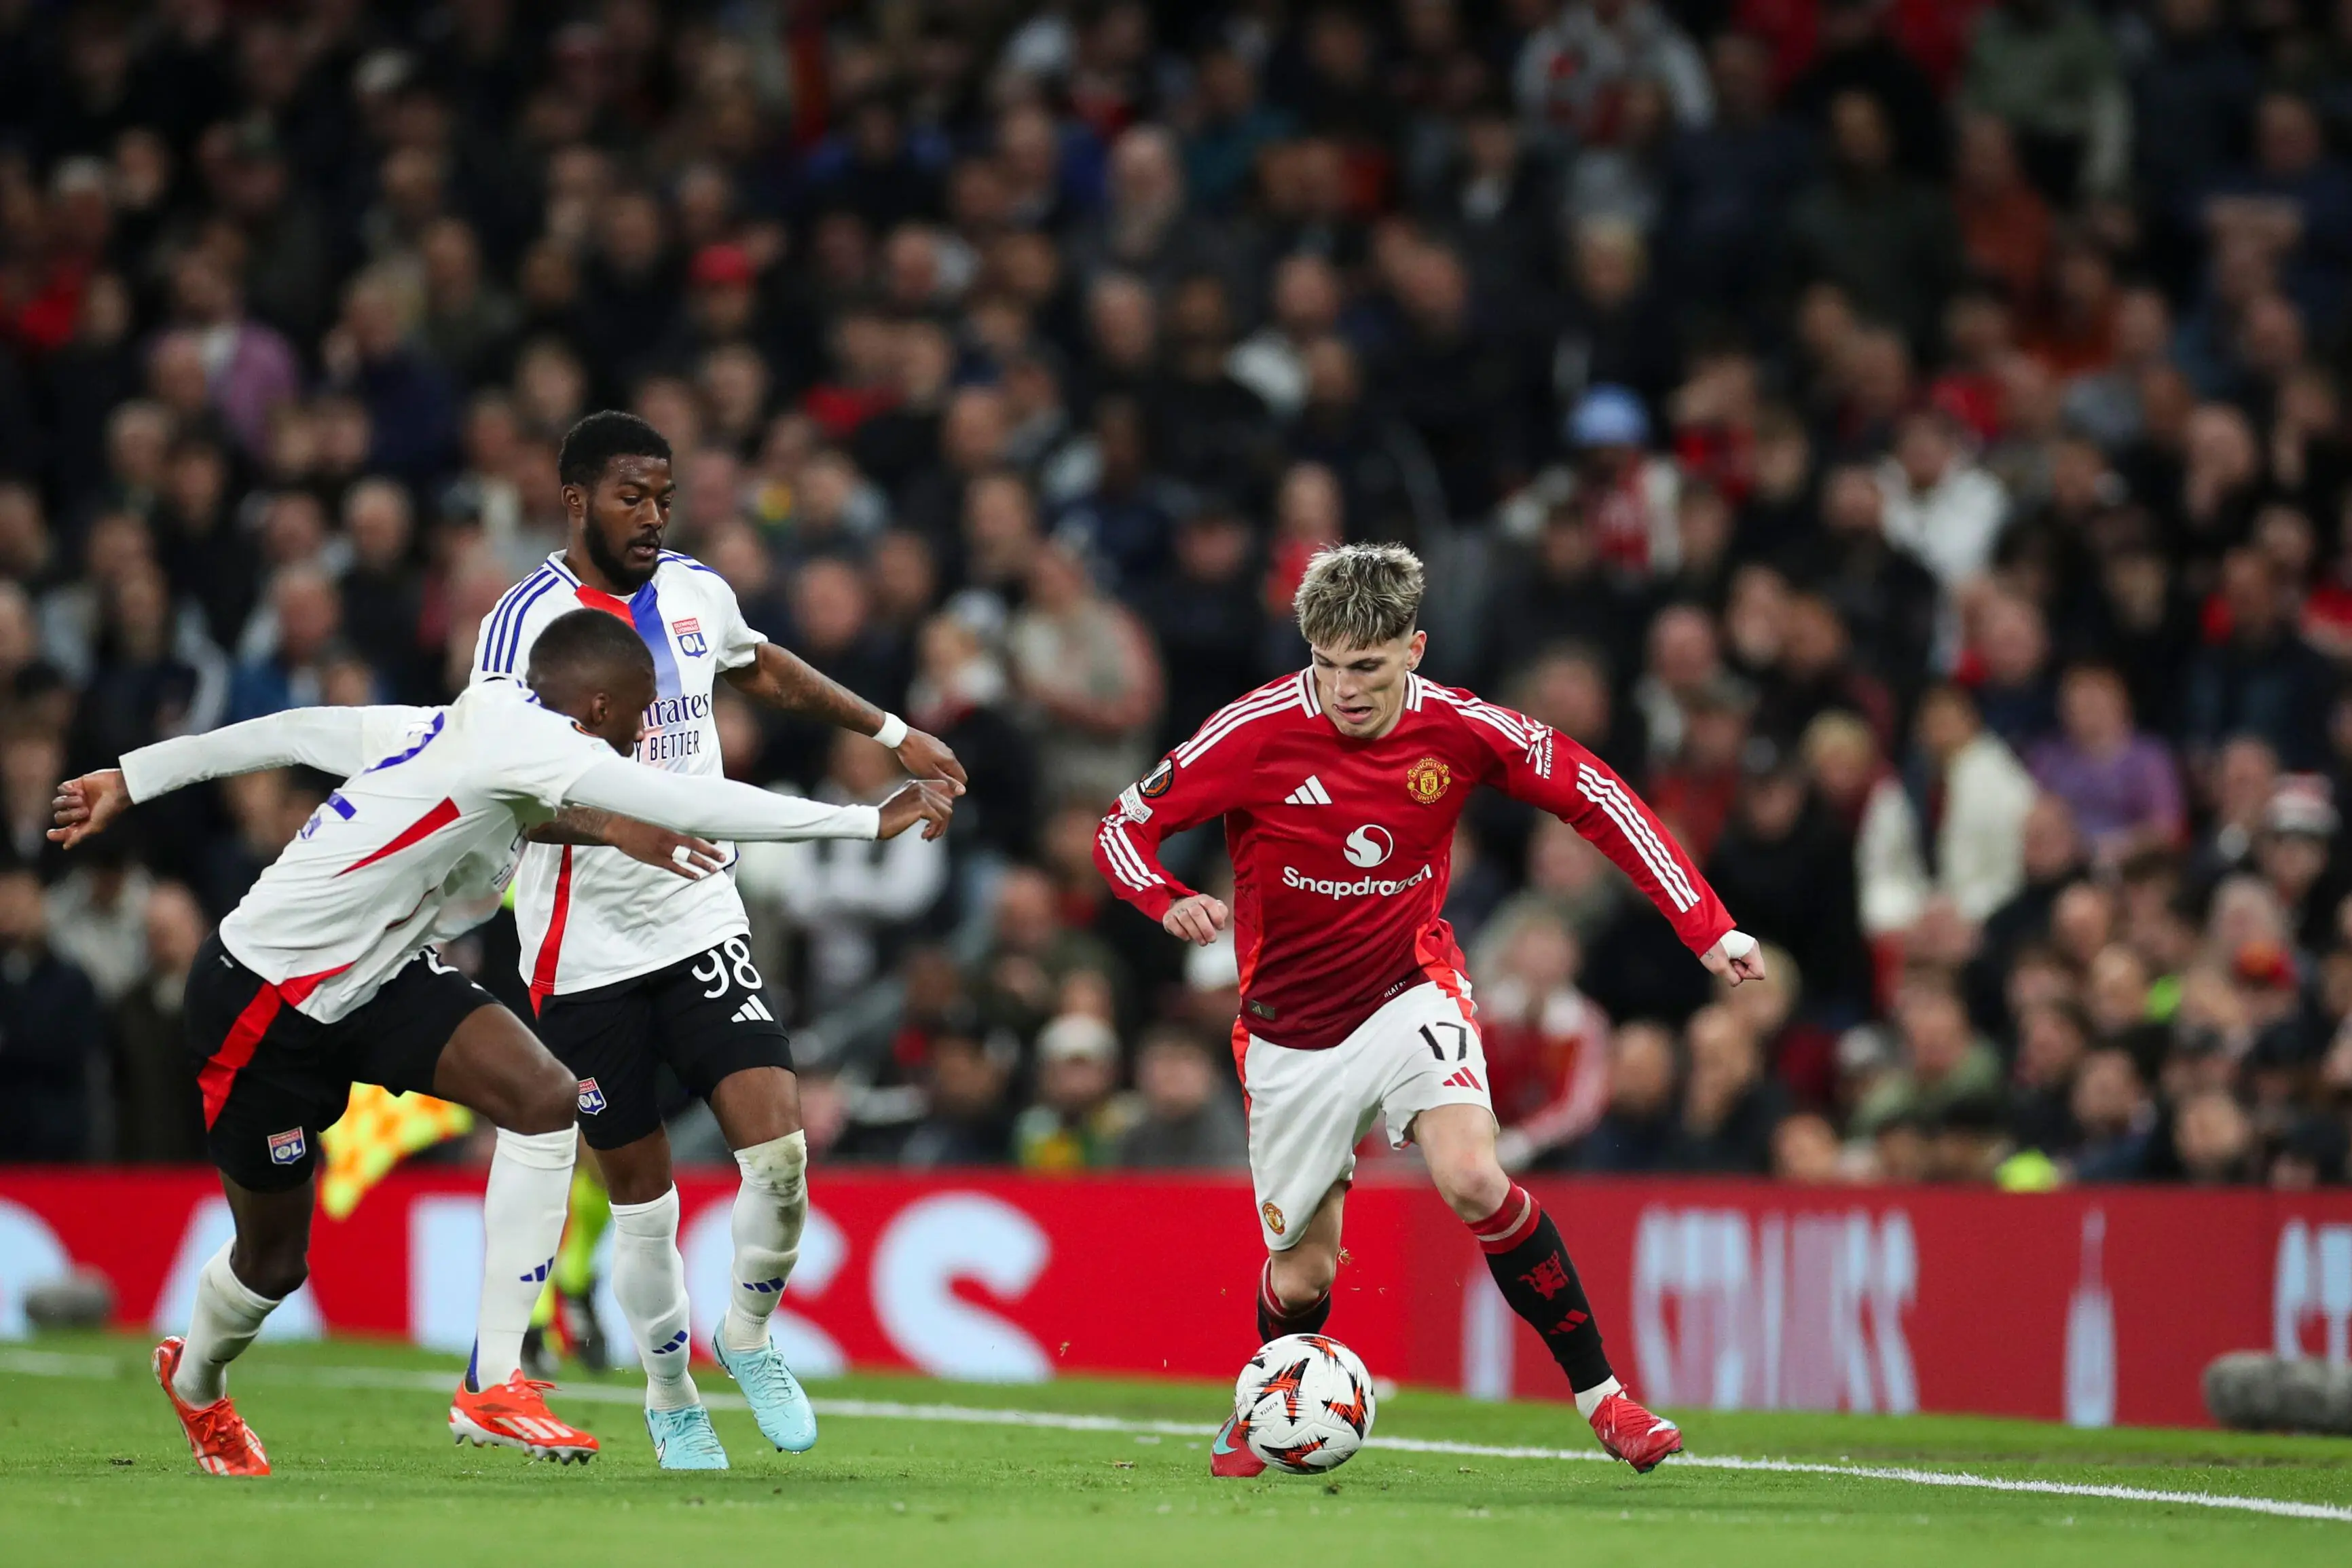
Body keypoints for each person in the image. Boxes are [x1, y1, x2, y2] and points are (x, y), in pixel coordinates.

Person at [49, 606, 955, 1478]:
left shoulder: (465, 725)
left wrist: (132, 776)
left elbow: (292, 731)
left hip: (383, 978)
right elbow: (696, 799)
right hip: (265, 998)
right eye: (641, 709)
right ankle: (197, 1382)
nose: (650, 727)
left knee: (545, 1096)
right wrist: (867, 820)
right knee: (273, 1262)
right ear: (597, 705)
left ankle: (492, 1380)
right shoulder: (544, 744)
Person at [1092, 543, 1761, 1476]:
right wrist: (1165, 899)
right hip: (1290, 1034)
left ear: (1414, 649)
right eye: (1327, 664)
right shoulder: (1254, 730)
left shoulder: (1461, 727)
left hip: (1410, 990)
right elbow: (1122, 827)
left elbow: (1598, 795)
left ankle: (1606, 1399)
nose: (1344, 689)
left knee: (1474, 1176)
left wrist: (1708, 926)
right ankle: (1264, 1402)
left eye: (1367, 666)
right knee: (1303, 1277)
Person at [466, 411, 968, 1470]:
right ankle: (669, 1392)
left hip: (698, 916)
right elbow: (487, 787)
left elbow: (762, 667)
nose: (652, 516)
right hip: (582, 951)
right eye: (629, 497)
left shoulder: (696, 591)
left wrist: (889, 732)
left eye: (663, 496)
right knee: (643, 1206)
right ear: (575, 502)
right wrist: (618, 827)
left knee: (779, 1154)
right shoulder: (522, 625)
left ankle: (746, 1333)